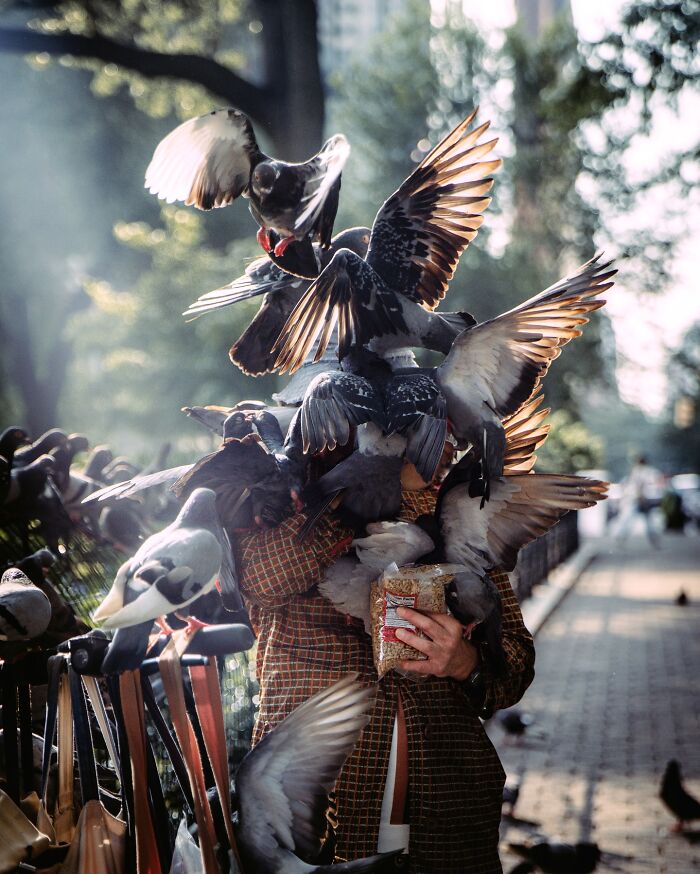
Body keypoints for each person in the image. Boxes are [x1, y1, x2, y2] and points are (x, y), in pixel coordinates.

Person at [233, 447, 535, 874]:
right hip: (315, 812)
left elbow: (517, 665)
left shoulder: (456, 504)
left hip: (447, 807)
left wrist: (466, 661)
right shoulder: (285, 484)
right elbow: (260, 580)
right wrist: (357, 486)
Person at [612, 455, 661, 546]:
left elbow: (639, 485)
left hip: (638, 498)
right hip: (642, 498)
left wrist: (640, 496)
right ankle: (654, 539)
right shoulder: (648, 471)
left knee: (629, 518)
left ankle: (621, 537)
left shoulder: (639, 471)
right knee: (648, 520)